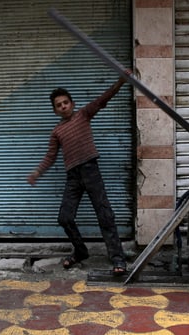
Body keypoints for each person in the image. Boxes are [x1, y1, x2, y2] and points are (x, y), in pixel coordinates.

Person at [27, 72, 131, 275]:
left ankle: (118, 258)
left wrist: (120, 81)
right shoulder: (56, 132)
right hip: (73, 176)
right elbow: (50, 156)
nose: (63, 106)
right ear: (55, 111)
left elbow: (103, 99)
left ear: (72, 104)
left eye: (66, 102)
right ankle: (81, 251)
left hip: (90, 170)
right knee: (65, 218)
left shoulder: (84, 114)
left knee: (105, 215)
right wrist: (37, 173)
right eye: (59, 105)